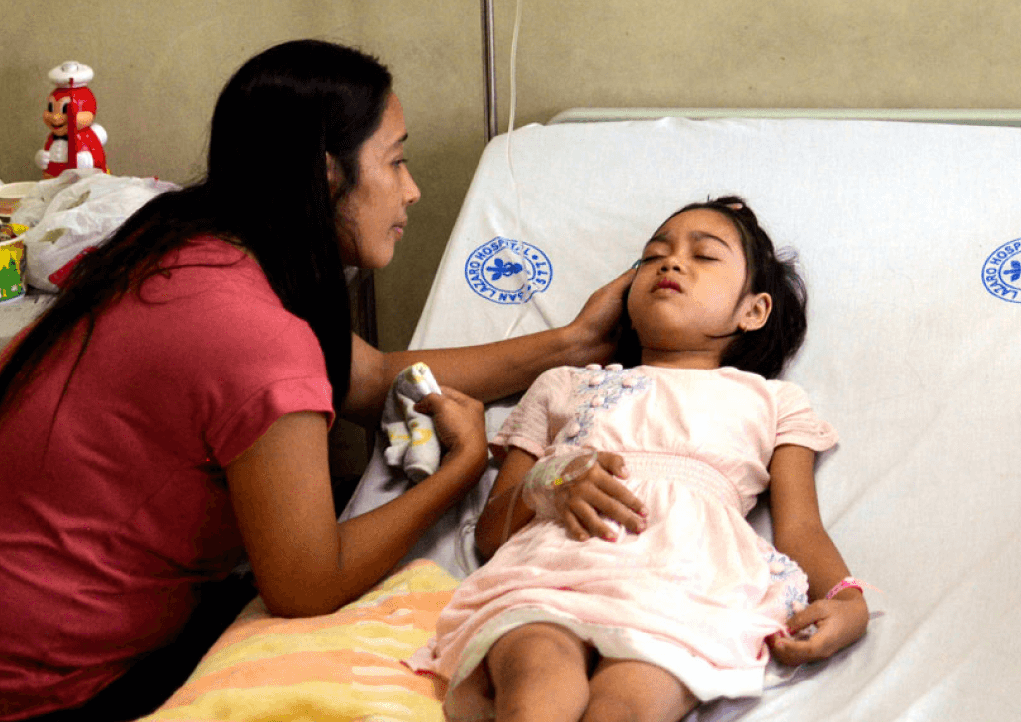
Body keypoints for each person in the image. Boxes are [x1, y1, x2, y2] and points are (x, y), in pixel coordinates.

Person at [0, 39, 637, 721]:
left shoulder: (186, 243)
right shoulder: (256, 335)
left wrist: (574, 341)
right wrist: (463, 467)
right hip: (48, 684)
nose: (412, 188)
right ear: (328, 175)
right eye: (395, 161)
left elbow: (374, 377)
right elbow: (306, 583)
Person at [413, 197, 869, 722]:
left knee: (627, 706)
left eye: (704, 256)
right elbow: (491, 532)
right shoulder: (564, 385)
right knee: (537, 686)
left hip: (684, 593)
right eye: (655, 255)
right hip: (555, 574)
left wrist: (849, 602)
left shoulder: (772, 401)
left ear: (754, 310)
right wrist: (549, 483)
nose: (671, 263)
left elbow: (800, 529)